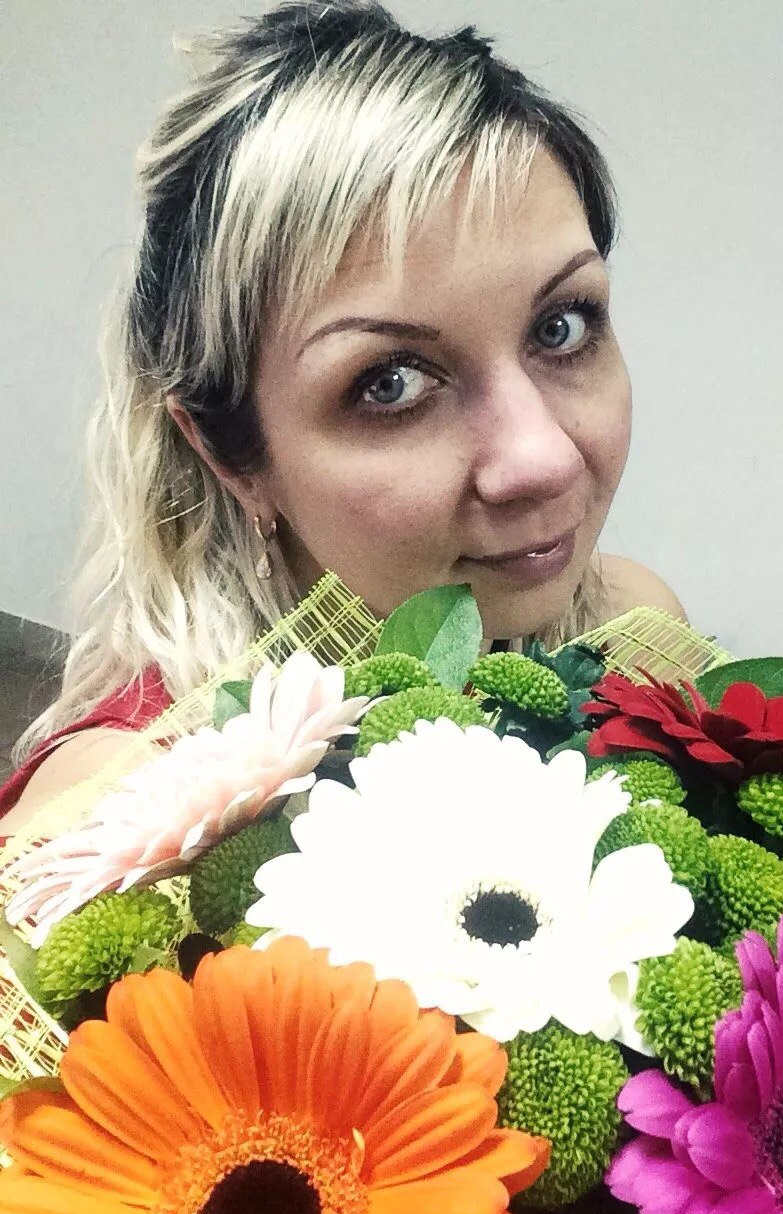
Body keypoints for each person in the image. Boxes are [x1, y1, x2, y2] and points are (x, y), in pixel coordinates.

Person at [0, 0, 684, 838]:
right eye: (390, 384)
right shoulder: (121, 829)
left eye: (561, 328)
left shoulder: (632, 633)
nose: (544, 459)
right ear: (230, 455)